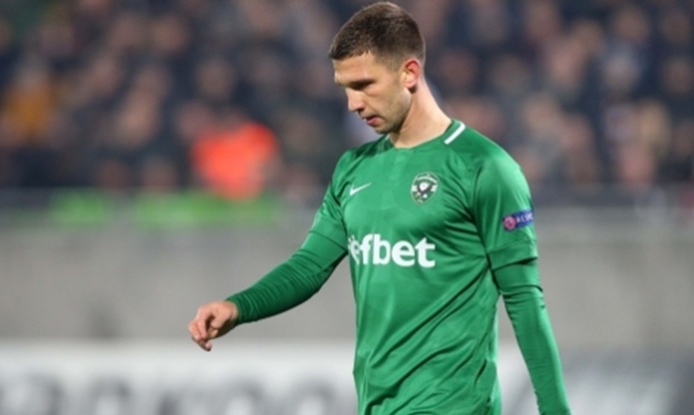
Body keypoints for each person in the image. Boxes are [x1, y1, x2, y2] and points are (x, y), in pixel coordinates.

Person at [188, 2, 572, 414]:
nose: (353, 103)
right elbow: (309, 266)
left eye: (364, 85)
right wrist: (239, 307)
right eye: (345, 88)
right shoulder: (354, 169)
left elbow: (524, 300)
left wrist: (556, 410)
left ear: (409, 73)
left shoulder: (485, 168)